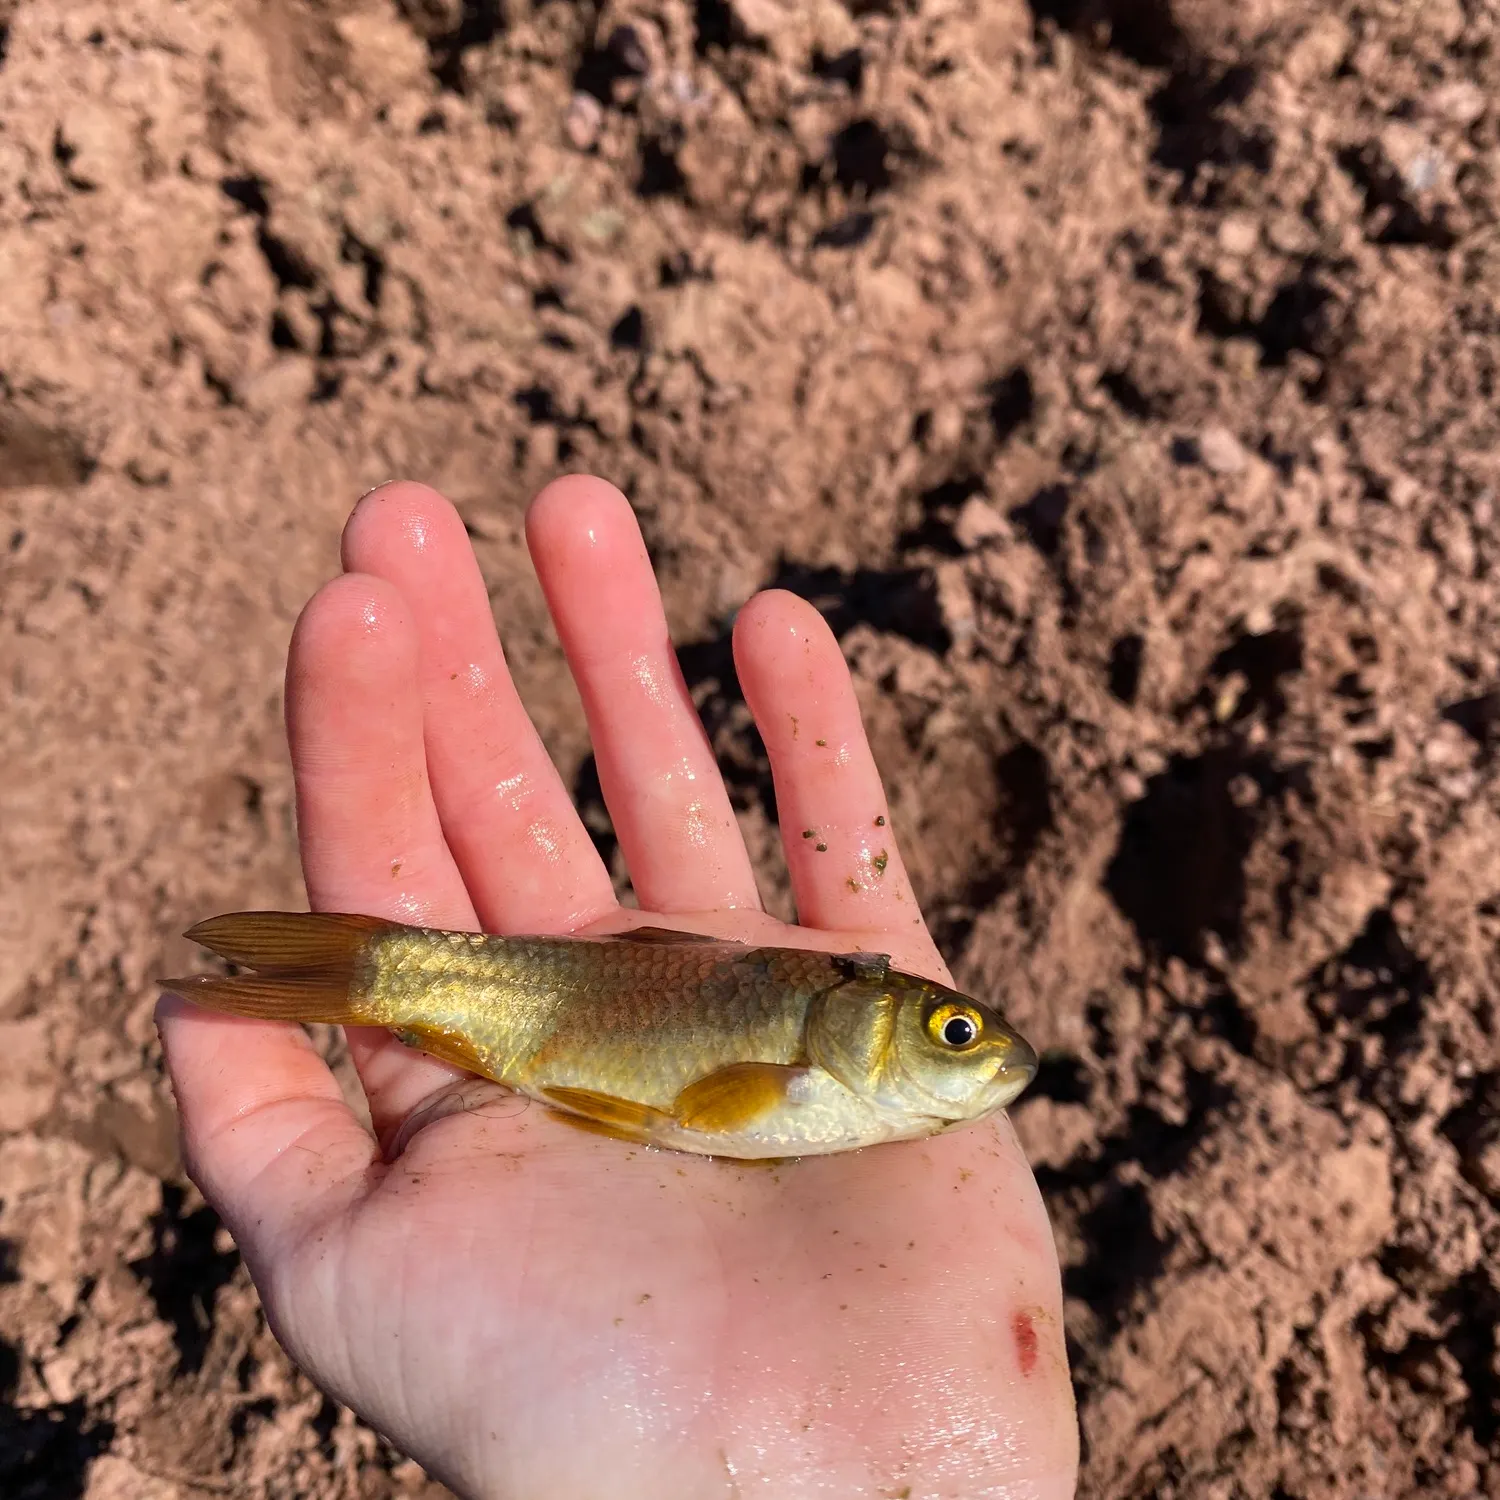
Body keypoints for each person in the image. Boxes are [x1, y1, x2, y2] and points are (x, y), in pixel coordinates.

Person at [156, 476, 1080, 1499]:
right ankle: (360, 964)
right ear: (857, 1017)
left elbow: (702, 1108)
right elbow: (706, 1109)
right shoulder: (814, 1068)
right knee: (403, 962)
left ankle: (355, 968)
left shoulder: (829, 1081)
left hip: (571, 1019)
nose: (981, 1053)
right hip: (551, 996)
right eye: (949, 1031)